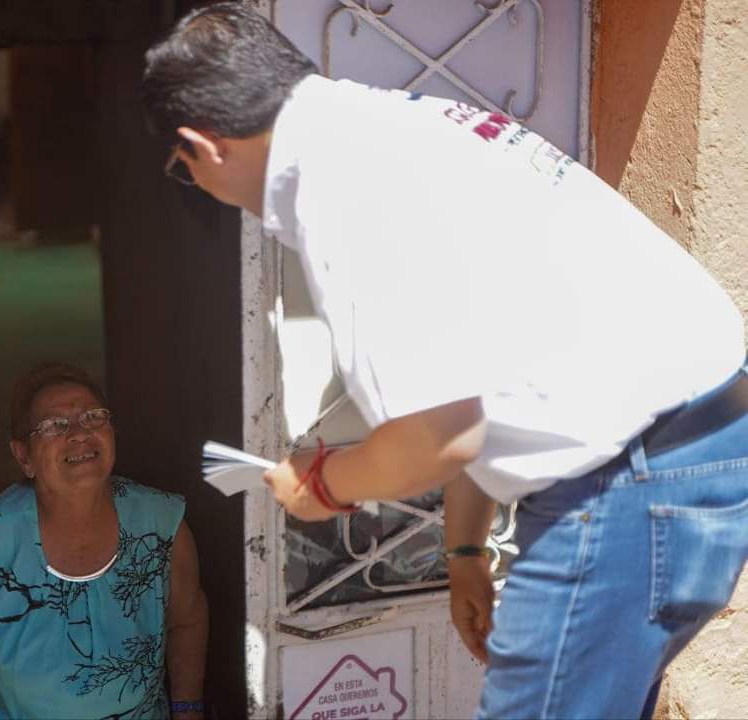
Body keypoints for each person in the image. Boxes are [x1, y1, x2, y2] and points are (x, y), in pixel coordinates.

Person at [141, 4, 748, 719]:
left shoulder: (345, 194)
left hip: (624, 489)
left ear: (203, 147)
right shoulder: (397, 128)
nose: (204, 190)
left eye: (185, 174)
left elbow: (437, 435)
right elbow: (478, 378)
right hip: (700, 450)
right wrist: (464, 553)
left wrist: (320, 486)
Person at [0, 362, 209, 719]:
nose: (79, 433)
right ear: (24, 456)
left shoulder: (161, 526)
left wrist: (188, 710)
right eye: (54, 425)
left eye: (93, 417)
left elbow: (187, 622)